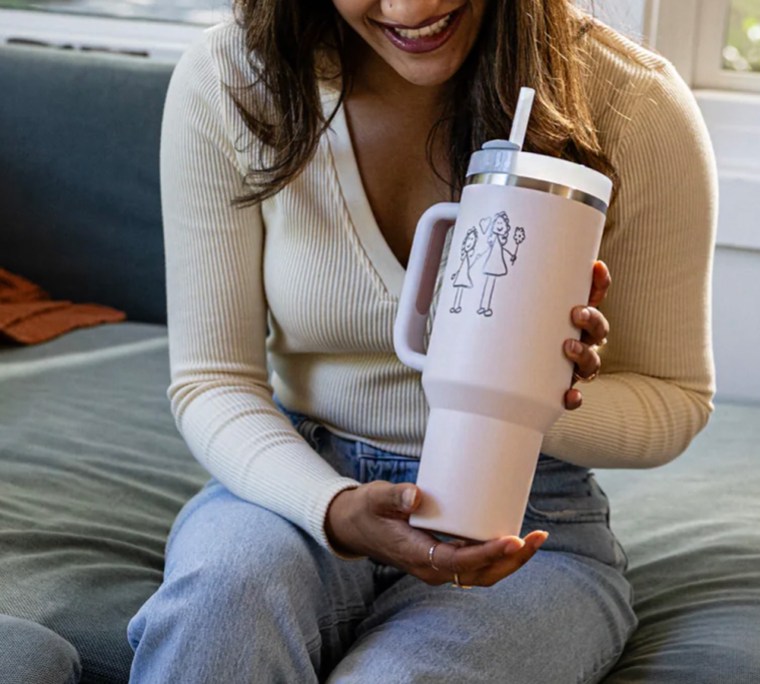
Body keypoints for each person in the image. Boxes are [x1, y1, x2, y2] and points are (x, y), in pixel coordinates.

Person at [127, 0, 717, 681]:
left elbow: (678, 400)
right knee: (218, 613)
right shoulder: (234, 77)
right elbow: (211, 380)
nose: (411, 8)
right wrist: (335, 509)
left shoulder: (632, 105)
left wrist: (534, 401)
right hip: (296, 476)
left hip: (527, 521)